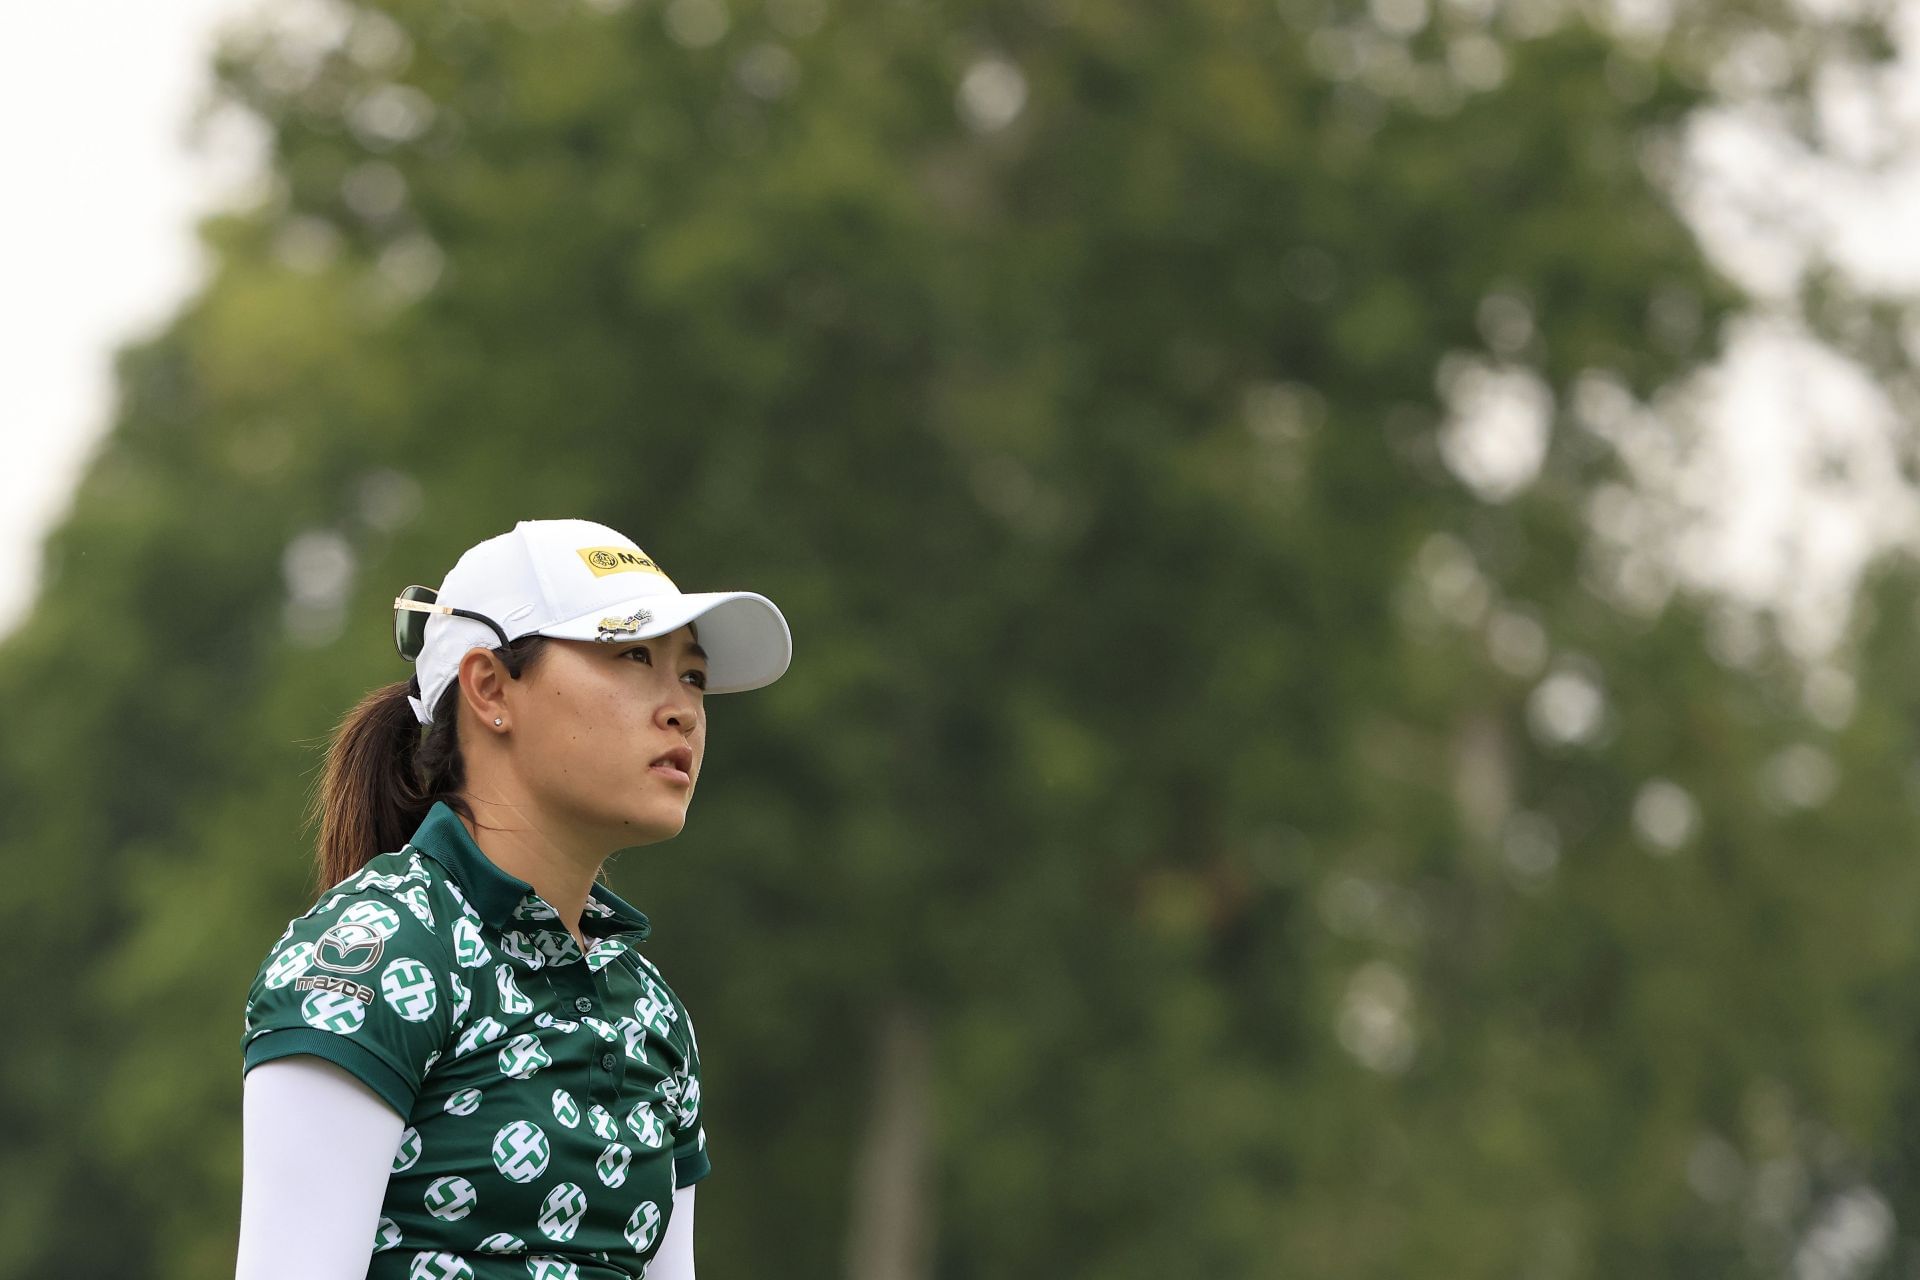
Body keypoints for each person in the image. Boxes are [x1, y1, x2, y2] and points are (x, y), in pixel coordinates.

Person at [235, 518, 792, 1280]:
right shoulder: (375, 951)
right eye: (632, 654)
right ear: (491, 689)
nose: (682, 709)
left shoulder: (650, 1011)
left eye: (691, 674)